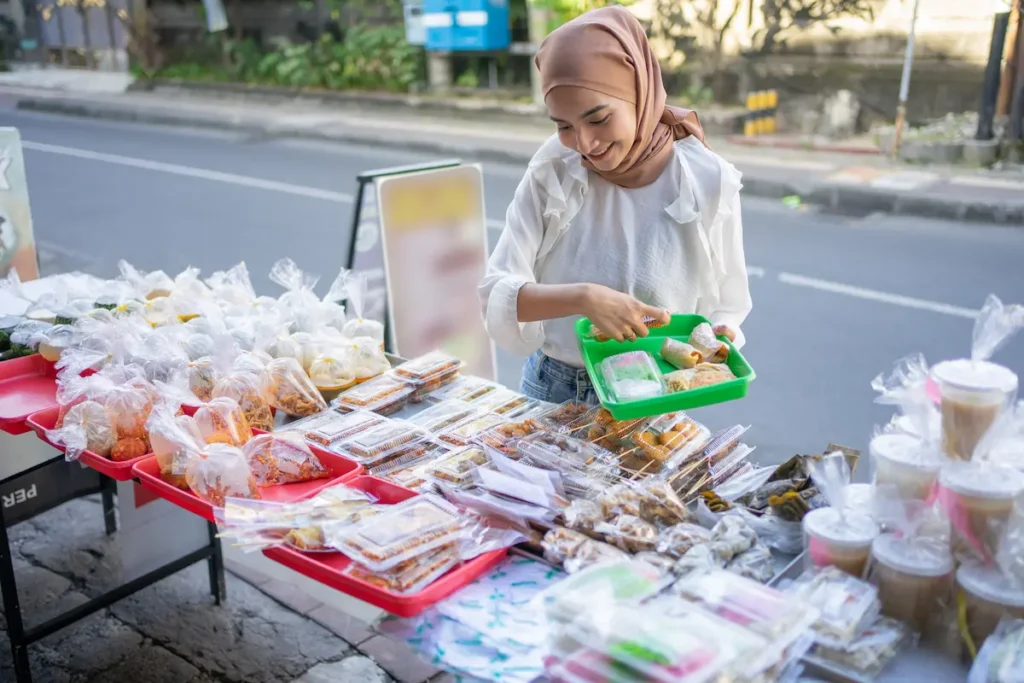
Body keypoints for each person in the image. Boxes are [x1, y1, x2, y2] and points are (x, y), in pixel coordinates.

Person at [479, 6, 752, 405]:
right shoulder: (552, 171)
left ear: (639, 95)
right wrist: (584, 298)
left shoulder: (707, 179)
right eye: (563, 125)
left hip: (657, 387)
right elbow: (496, 293)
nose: (585, 144)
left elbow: (729, 300)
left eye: (599, 118)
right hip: (556, 387)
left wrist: (722, 333)